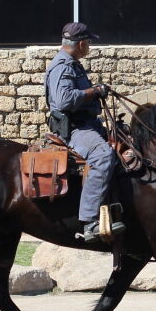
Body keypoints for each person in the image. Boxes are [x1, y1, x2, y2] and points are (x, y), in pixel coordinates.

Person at [46, 21, 124, 242]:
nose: (89, 45)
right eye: (88, 42)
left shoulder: (73, 63)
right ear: (80, 43)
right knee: (102, 156)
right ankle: (90, 222)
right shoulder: (63, 66)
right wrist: (94, 91)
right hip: (75, 129)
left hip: (88, 124)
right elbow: (64, 100)